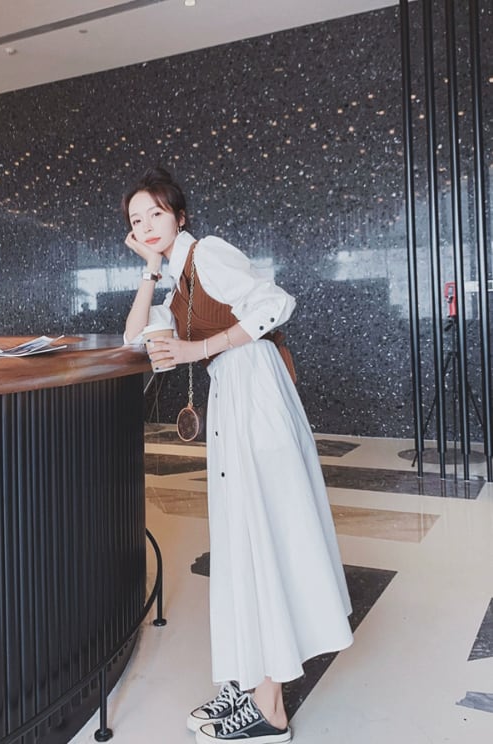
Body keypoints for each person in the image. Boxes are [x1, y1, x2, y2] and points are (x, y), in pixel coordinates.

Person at [122, 167, 353, 744]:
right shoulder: (175, 282)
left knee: (263, 536)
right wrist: (149, 270)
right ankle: (248, 680)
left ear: (179, 215)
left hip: (258, 393)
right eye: (135, 220)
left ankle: (270, 709)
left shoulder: (210, 253)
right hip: (234, 395)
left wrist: (198, 347)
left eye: (155, 213)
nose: (146, 225)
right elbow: (133, 338)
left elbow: (276, 303)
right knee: (242, 542)